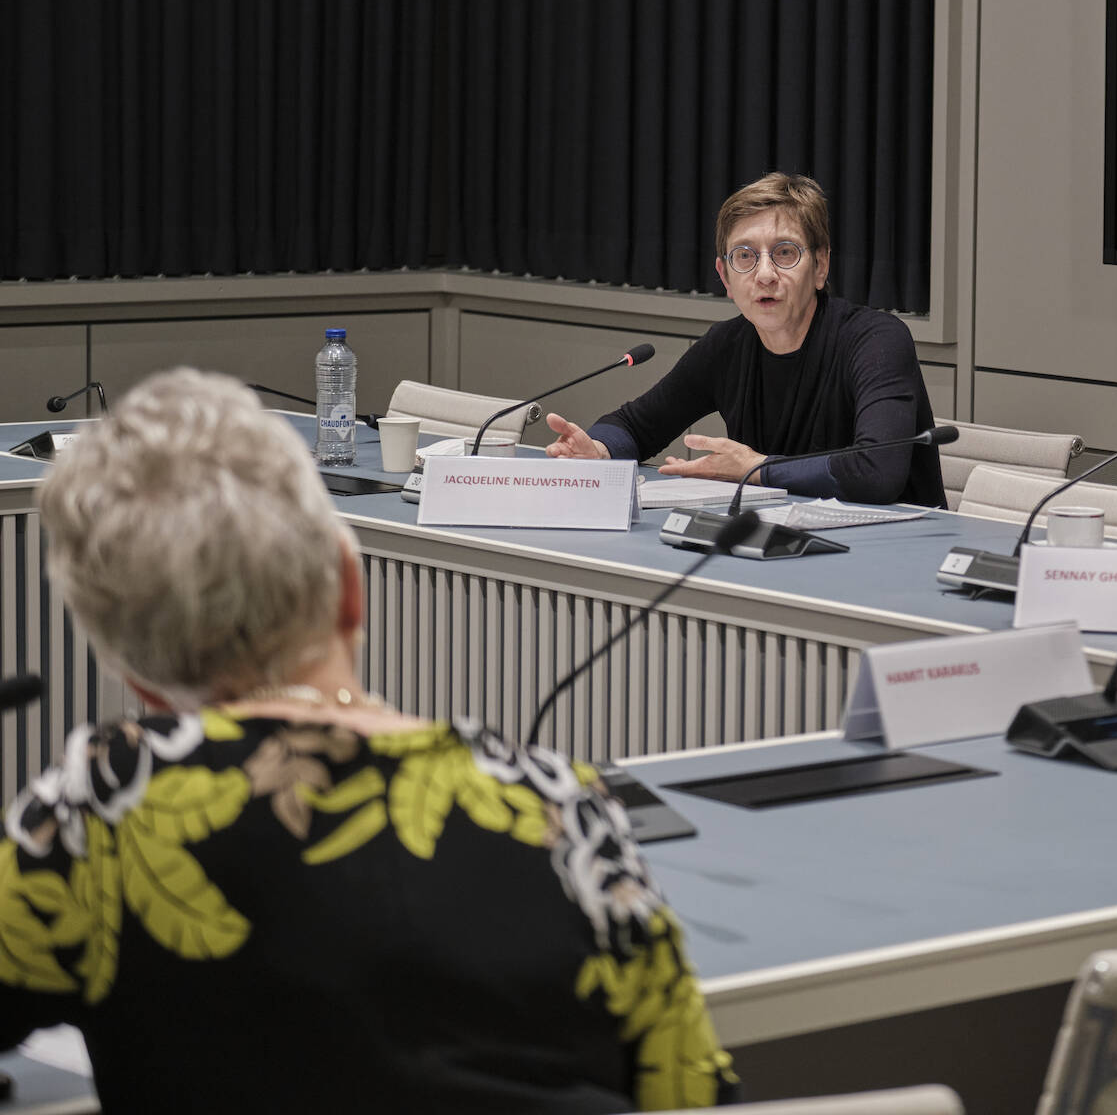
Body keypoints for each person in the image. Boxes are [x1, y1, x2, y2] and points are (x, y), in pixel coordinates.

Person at [0, 369, 738, 1113]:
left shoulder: (106, 802)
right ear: (350, 589)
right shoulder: (562, 807)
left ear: (134, 675)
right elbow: (691, 1091)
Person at [543, 172, 946, 506]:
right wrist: (598, 450)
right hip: (780, 546)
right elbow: (636, 425)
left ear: (821, 266)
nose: (765, 274)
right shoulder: (728, 346)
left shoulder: (875, 341)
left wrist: (755, 469)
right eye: (745, 256)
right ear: (725, 277)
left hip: (900, 556)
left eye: (785, 253)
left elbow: (876, 472)